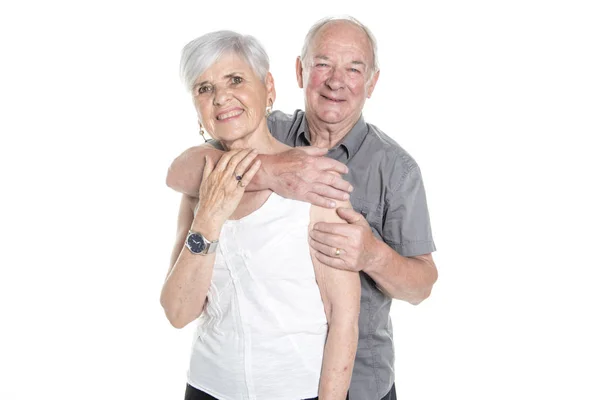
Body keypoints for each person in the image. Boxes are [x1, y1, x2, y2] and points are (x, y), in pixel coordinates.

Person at [167, 17, 438, 400]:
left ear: (372, 83)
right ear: (299, 71)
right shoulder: (264, 128)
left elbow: (422, 286)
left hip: (355, 375)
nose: (335, 80)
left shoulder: (396, 169)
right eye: (323, 64)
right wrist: (275, 169)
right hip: (230, 375)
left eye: (354, 69)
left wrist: (371, 254)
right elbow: (180, 172)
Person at [160, 30, 361, 400]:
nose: (221, 97)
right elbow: (178, 312)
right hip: (207, 387)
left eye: (235, 80)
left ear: (268, 87)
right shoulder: (198, 189)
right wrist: (208, 217)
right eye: (204, 89)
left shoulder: (314, 184)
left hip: (296, 390)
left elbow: (344, 319)